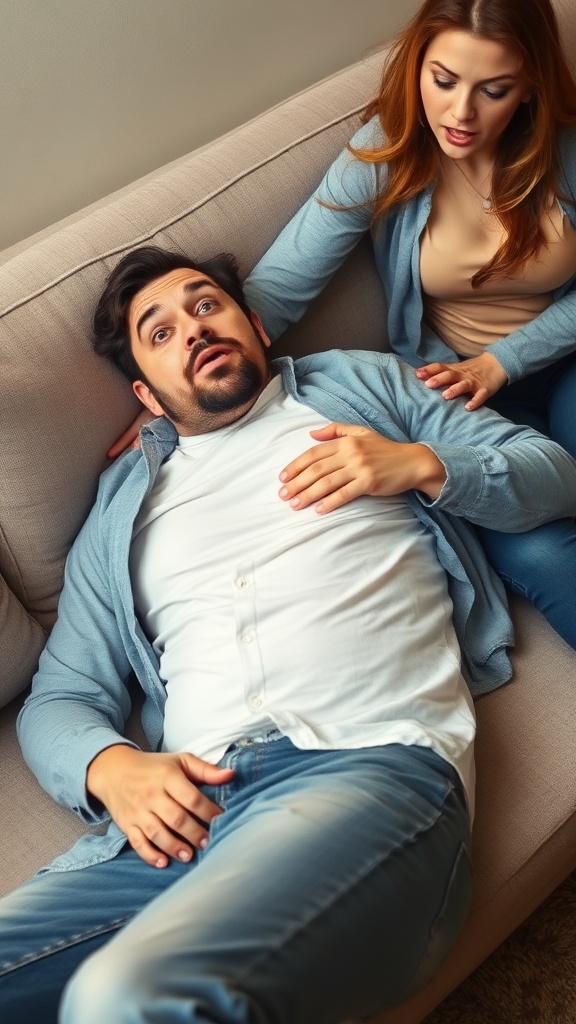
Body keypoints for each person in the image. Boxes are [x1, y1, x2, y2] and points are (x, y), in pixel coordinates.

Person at [1, 245, 576, 1024]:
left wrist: (419, 464)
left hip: (365, 768)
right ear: (146, 392)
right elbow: (60, 696)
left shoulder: (360, 385)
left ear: (254, 325)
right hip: (184, 817)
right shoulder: (119, 510)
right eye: (159, 332)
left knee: (128, 998)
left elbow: (548, 468)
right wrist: (109, 768)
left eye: (206, 305)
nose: (194, 330)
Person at [242, 0, 576, 650]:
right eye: (443, 80)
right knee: (541, 556)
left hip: (562, 360)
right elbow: (277, 288)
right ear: (417, 65)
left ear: (530, 85)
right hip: (455, 397)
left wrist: (503, 358)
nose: (460, 114)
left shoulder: (564, 150)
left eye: (494, 90)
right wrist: (177, 391)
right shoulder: (385, 154)